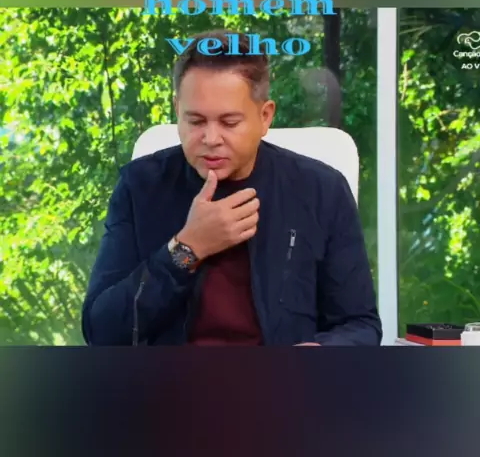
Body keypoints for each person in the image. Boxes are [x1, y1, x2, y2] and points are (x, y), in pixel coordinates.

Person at [82, 30, 382, 346]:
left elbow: (360, 324)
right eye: (196, 121)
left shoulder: (322, 191)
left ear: (265, 117)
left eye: (229, 123)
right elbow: (100, 331)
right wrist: (187, 248)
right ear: (177, 110)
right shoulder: (140, 186)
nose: (211, 139)